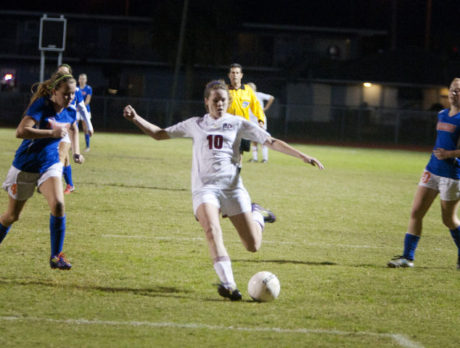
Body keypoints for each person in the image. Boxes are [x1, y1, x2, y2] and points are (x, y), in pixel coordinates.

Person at [123, 80, 324, 300]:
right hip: (205, 189)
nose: (220, 104)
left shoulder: (238, 123)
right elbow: (159, 133)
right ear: (206, 101)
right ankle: (229, 285)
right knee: (212, 230)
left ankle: (257, 214)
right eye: (216, 100)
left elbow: (270, 141)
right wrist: (136, 119)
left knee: (253, 246)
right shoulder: (195, 123)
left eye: (224, 100)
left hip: (232, 189)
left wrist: (303, 156)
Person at [0, 72, 85, 269]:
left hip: (50, 164)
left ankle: (56, 256)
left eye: (72, 94)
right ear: (54, 92)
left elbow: (72, 127)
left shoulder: (70, 110)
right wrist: (51, 132)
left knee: (58, 206)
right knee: (12, 216)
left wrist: (76, 150)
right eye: (66, 94)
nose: (70, 98)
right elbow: (20, 131)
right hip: (25, 166)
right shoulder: (41, 106)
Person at [388, 77, 460, 269]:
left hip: (452, 175)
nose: (454, 94)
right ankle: (407, 258)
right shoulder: (442, 114)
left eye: (458, 91)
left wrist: (450, 154)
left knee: (448, 219)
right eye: (452, 90)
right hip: (432, 170)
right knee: (416, 212)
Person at [56, 65, 93, 194]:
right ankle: (70, 185)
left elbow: (82, 108)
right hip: (55, 127)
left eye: (65, 74)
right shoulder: (53, 90)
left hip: (68, 127)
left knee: (60, 154)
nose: (62, 76)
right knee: (64, 156)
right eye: (60, 74)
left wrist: (89, 126)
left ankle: (53, 183)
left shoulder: (76, 90)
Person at [226, 63, 265, 164]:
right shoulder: (224, 90)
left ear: (241, 75)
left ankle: (235, 175)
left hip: (242, 127)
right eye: (233, 73)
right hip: (226, 126)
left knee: (239, 154)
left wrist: (260, 120)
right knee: (225, 154)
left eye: (237, 73)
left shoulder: (248, 90)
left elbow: (256, 106)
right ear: (229, 75)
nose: (235, 75)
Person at [247, 82, 275, 163]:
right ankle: (255, 158)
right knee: (253, 139)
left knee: (263, 138)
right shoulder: (246, 96)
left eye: (250, 88)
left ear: (254, 89)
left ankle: (265, 158)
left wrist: (265, 108)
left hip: (260, 119)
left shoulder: (258, 95)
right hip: (251, 120)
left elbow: (271, 98)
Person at [78, 73, 93, 152]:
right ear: (78, 80)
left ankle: (87, 146)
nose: (82, 80)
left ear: (86, 80)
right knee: (74, 127)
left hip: (85, 110)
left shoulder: (88, 88)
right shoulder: (76, 88)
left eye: (84, 78)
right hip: (76, 110)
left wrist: (80, 107)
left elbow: (87, 100)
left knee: (85, 128)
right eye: (81, 78)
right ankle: (72, 145)